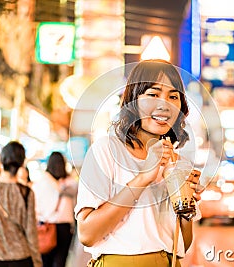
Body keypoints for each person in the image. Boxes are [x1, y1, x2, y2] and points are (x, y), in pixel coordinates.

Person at [75, 59, 203, 267]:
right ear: (133, 100)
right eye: (153, 94)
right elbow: (87, 233)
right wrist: (144, 177)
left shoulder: (179, 164)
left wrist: (185, 204)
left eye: (173, 96)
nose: (164, 104)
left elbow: (182, 245)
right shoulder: (107, 150)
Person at [32, 151, 78, 267]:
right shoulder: (72, 184)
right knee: (60, 261)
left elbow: (35, 208)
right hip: (65, 227)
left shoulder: (40, 183)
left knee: (44, 261)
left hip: (45, 226)